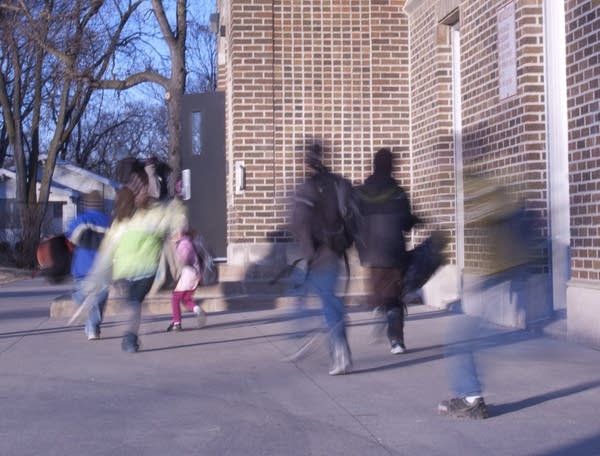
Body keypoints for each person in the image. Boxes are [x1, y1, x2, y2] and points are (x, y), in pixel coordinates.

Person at [438, 174, 536, 419]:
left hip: (501, 274)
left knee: (460, 339)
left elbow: (489, 220)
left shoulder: (490, 200)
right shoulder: (502, 201)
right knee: (464, 338)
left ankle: (471, 398)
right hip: (503, 274)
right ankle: (470, 395)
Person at [83, 189, 187, 353]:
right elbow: (174, 219)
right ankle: (130, 337)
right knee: (136, 301)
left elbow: (106, 252)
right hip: (147, 269)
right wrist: (177, 204)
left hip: (123, 271)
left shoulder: (119, 223)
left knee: (132, 302)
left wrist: (95, 277)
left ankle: (129, 331)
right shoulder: (152, 217)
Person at [289, 141, 353, 375]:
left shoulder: (308, 188)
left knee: (325, 301)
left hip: (318, 255)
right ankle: (330, 342)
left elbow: (300, 223)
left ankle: (336, 347)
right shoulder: (338, 184)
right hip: (336, 250)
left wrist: (309, 255)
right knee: (325, 298)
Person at [355, 148, 420, 355]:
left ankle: (380, 310)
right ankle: (396, 340)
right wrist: (416, 219)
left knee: (381, 293)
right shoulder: (398, 193)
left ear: (373, 166)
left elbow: (354, 222)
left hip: (370, 253)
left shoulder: (360, 193)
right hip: (394, 252)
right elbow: (406, 223)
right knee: (394, 297)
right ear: (391, 167)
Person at [66, 190, 111, 340]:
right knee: (99, 299)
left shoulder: (80, 220)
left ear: (86, 205)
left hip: (82, 266)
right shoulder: (108, 221)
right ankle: (93, 328)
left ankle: (80, 298)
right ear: (101, 205)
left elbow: (71, 238)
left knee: (85, 294)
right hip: (102, 267)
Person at [166, 230, 206, 332]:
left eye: (175, 233)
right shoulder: (187, 242)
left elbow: (183, 260)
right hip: (193, 274)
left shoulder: (184, 243)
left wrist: (175, 248)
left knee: (175, 298)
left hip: (188, 273)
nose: (173, 235)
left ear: (181, 233)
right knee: (185, 299)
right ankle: (197, 309)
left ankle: (177, 323)